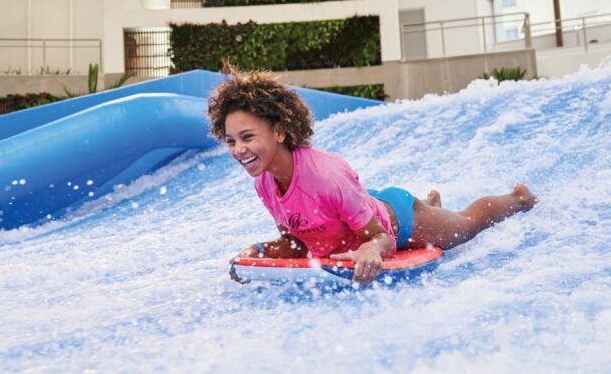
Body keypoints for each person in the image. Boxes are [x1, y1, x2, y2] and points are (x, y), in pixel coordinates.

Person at [208, 68, 537, 285]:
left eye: (248, 137)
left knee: (466, 226)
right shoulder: (264, 182)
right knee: (365, 209)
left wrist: (371, 250)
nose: (238, 149)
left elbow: (382, 238)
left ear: (279, 132)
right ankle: (431, 202)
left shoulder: (324, 175)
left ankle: (518, 198)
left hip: (399, 221)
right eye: (231, 141)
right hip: (359, 208)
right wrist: (259, 252)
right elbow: (296, 240)